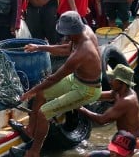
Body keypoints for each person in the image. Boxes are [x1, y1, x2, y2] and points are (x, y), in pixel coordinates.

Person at [9, 11, 102, 157]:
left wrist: (31, 91)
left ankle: (33, 152)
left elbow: (54, 78)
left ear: (73, 32)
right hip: (76, 78)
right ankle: (30, 131)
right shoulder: (84, 31)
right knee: (41, 93)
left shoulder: (82, 52)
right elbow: (66, 49)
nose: (64, 36)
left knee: (44, 112)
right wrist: (40, 47)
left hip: (87, 89)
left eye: (66, 33)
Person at [79, 64, 139, 153]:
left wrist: (80, 108)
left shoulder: (126, 101)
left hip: (133, 145)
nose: (110, 81)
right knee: (86, 148)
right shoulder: (119, 92)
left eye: (112, 79)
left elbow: (102, 120)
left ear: (121, 82)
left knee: (89, 152)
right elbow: (97, 96)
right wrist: (79, 96)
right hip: (125, 142)